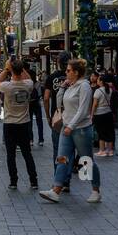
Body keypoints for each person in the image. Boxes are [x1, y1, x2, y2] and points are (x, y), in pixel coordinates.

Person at [39, 58, 100, 204]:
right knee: (62, 158)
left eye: (68, 71)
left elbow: (83, 110)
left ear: (76, 72)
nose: (65, 72)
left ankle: (95, 190)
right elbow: (60, 103)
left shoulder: (84, 86)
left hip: (81, 129)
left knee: (86, 160)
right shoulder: (71, 86)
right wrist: (62, 88)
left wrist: (71, 126)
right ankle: (56, 189)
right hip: (67, 128)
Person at [0, 57, 39, 190]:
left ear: (11, 71)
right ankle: (33, 181)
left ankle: (13, 181)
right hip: (25, 123)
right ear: (22, 70)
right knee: (27, 153)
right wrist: (19, 67)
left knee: (11, 154)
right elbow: (30, 79)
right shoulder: (28, 85)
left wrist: (7, 68)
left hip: (10, 124)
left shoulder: (7, 86)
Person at [43, 54, 72, 192]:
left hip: (58, 118)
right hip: (72, 118)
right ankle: (66, 180)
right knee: (71, 150)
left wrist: (48, 116)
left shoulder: (52, 77)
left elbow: (46, 98)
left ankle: (58, 180)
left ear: (58, 63)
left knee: (58, 149)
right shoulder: (74, 77)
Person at [91, 72, 116, 156]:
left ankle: (102, 150)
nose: (97, 81)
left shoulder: (98, 91)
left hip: (99, 114)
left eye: (98, 79)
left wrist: (92, 114)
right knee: (109, 131)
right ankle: (110, 150)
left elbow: (95, 104)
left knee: (101, 132)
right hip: (108, 113)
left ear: (101, 81)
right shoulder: (110, 89)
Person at [26, 65, 44, 146]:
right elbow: (40, 94)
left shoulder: (27, 84)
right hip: (37, 103)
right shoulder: (38, 84)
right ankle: (41, 140)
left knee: (29, 122)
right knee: (39, 122)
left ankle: (30, 140)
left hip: (29, 104)